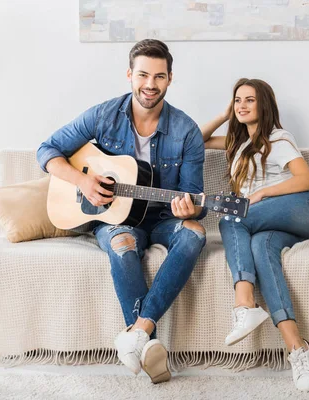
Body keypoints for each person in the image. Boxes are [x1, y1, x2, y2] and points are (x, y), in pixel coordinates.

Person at [36, 39, 206, 384]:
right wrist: (81, 182)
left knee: (195, 234)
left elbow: (193, 200)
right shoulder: (102, 115)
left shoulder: (186, 130)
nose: (150, 84)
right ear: (129, 75)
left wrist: (191, 208)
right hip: (113, 219)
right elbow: (47, 149)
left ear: (170, 79)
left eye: (159, 76)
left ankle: (139, 332)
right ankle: (150, 346)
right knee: (123, 243)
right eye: (143, 74)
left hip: (161, 217)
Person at [200, 78, 309, 392]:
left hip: (298, 208)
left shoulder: (277, 138)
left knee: (231, 216)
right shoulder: (237, 144)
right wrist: (226, 115)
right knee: (259, 246)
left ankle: (244, 305)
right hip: (267, 227)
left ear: (264, 104)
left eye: (249, 100)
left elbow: (305, 179)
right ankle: (298, 348)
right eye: (238, 100)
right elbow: (196, 140)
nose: (242, 105)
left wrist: (264, 193)